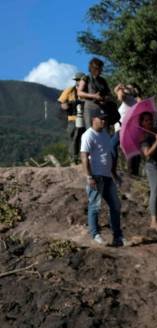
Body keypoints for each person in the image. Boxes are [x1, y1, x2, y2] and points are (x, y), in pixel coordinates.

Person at [80, 111, 122, 247]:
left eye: (105, 119)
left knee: (115, 206)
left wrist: (114, 173)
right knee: (95, 206)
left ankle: (118, 236)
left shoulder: (105, 134)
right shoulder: (88, 135)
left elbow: (109, 154)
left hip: (107, 175)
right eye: (101, 119)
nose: (104, 121)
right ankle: (95, 234)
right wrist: (89, 176)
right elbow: (84, 156)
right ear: (94, 119)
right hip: (96, 176)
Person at [76, 58, 112, 129]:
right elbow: (79, 92)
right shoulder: (86, 78)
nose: (102, 70)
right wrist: (94, 96)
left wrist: (105, 98)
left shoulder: (103, 80)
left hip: (103, 109)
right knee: (91, 130)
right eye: (100, 68)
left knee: (104, 131)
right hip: (90, 109)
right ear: (95, 68)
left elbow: (109, 94)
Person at [57, 73, 87, 157]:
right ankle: (73, 158)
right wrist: (70, 105)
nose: (78, 82)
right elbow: (62, 103)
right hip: (73, 119)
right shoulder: (70, 90)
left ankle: (84, 158)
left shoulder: (88, 91)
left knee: (85, 139)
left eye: (80, 80)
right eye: (77, 80)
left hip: (86, 119)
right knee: (73, 139)